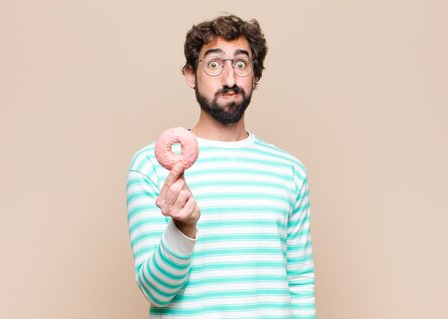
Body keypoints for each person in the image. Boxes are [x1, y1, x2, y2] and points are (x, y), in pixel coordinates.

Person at [126, 14, 315, 318]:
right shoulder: (150, 167)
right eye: (214, 64)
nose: (229, 79)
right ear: (190, 74)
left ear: (255, 75)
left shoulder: (289, 172)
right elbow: (156, 292)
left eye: (241, 64)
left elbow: (300, 283)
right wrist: (182, 228)